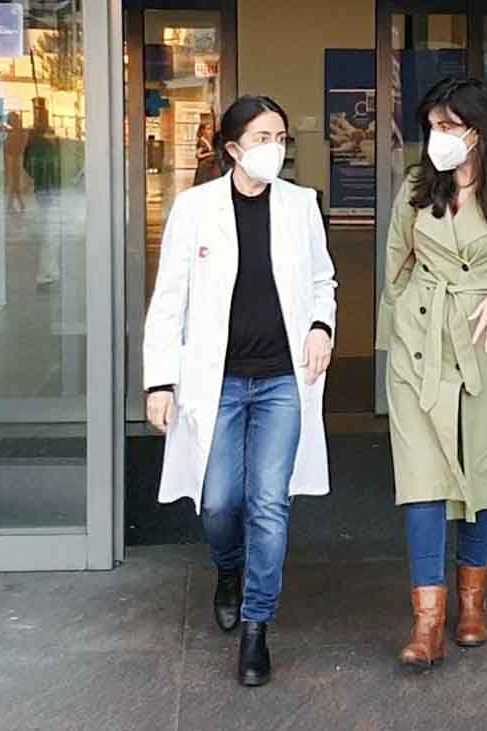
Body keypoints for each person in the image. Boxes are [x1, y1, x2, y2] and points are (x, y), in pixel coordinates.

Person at [143, 95, 337, 687]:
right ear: (231, 148)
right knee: (221, 501)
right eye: (260, 138)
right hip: (218, 383)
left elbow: (323, 278)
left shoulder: (301, 205)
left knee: (270, 503)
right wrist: (160, 381)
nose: (272, 148)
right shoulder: (195, 208)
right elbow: (169, 298)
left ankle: (256, 626)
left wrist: (321, 326)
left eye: (280, 137)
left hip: (282, 379)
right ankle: (227, 568)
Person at [375, 77, 487, 669]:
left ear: (476, 131)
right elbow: (395, 269)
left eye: (448, 127)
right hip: (419, 349)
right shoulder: (416, 187)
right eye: (431, 127)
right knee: (422, 482)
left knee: (483, 475)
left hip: (486, 346)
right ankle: (427, 622)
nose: (437, 138)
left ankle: (472, 605)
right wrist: (391, 342)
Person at [23, 115, 61, 290]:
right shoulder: (47, 147)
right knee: (51, 235)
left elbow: (28, 168)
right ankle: (47, 275)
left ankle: (48, 274)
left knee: (48, 234)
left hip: (41, 193)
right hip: (51, 194)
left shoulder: (31, 147)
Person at [192, 113, 221, 186]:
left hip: (206, 167)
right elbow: (198, 155)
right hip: (203, 167)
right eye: (208, 129)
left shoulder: (207, 141)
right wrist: (211, 154)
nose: (210, 131)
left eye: (210, 129)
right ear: (202, 130)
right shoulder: (202, 142)